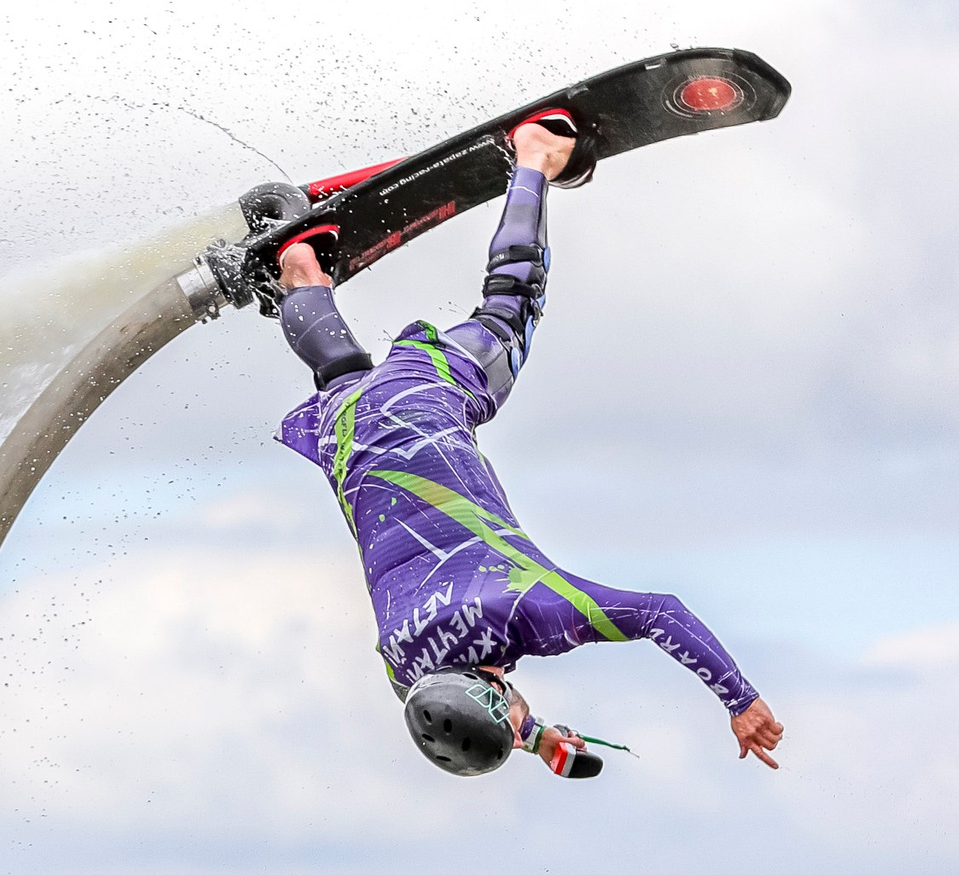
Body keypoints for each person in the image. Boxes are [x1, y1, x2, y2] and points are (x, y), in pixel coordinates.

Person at [272, 114, 784, 780]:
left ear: (493, 691)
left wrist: (738, 700)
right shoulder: (407, 666)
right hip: (348, 431)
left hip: (422, 403)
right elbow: (461, 700)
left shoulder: (525, 614)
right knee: (340, 373)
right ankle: (298, 270)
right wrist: (540, 739)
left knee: (509, 307)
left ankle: (535, 158)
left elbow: (662, 613)